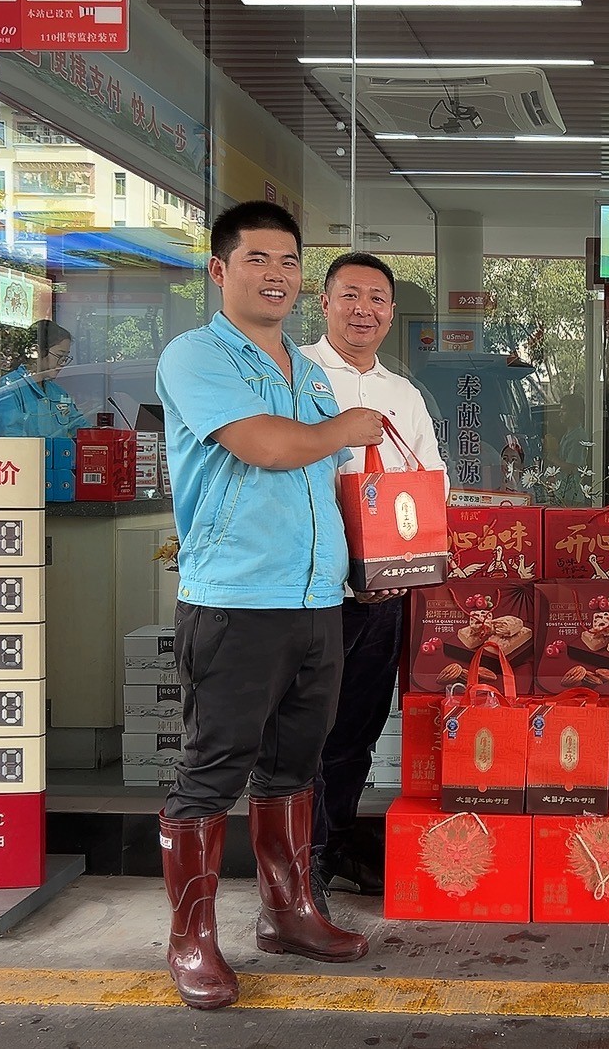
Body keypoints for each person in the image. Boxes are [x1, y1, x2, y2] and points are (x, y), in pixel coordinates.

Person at [154, 201, 386, 1010]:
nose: (276, 274)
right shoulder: (195, 355)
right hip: (236, 600)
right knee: (211, 771)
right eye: (258, 259)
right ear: (220, 270)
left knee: (295, 766)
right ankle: (190, 939)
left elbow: (328, 480)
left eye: (288, 261)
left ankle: (287, 914)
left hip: (317, 600)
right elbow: (267, 446)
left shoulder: (307, 371)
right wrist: (345, 427)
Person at [301, 252, 447, 902]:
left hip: (384, 593)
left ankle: (330, 850)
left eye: (377, 299)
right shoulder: (294, 375)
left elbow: (430, 481)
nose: (364, 310)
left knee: (356, 732)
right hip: (312, 591)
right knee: (304, 733)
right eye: (351, 295)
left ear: (390, 313)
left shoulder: (403, 394)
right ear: (325, 302)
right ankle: (298, 866)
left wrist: (405, 564)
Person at [0, 319, 89, 439]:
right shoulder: (10, 388)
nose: (62, 363)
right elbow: (9, 438)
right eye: (60, 356)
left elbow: (80, 429)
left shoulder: (59, 393)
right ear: (34, 351)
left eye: (66, 358)